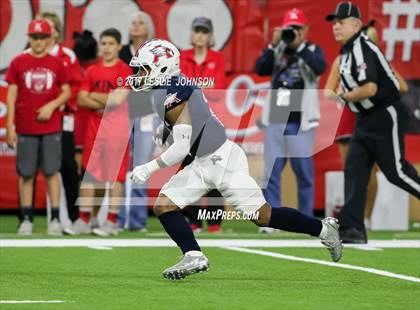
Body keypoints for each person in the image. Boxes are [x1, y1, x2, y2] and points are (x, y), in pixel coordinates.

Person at [128, 39, 342, 280]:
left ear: (163, 67)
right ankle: (193, 255)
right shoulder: (165, 90)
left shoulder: (176, 91)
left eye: (143, 69)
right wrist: (165, 129)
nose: (138, 75)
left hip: (223, 159)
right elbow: (189, 126)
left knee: (263, 216)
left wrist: (149, 167)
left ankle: (324, 229)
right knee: (164, 206)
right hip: (201, 160)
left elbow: (180, 147)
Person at [325, 2, 420, 243]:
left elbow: (370, 88)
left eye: (341, 22)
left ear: (356, 25)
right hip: (364, 118)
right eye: (334, 22)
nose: (335, 26)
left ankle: (353, 227)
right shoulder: (346, 52)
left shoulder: (362, 48)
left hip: (384, 113)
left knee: (396, 171)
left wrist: (343, 96)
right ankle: (352, 229)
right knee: (354, 170)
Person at [255, 8, 327, 221]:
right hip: (276, 119)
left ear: (305, 29)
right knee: (271, 173)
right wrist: (273, 44)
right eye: (289, 28)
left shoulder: (312, 49)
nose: (293, 33)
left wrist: (300, 46)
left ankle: (305, 221)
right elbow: (260, 68)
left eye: (297, 28)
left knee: (303, 172)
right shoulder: (278, 49)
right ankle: (272, 220)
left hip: (300, 121)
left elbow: (320, 67)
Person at [5, 19, 71, 235]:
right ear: (29, 37)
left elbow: (66, 91)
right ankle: (26, 218)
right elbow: (12, 96)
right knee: (26, 174)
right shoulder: (18, 62)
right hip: (25, 126)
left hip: (51, 126)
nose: (39, 41)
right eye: (35, 37)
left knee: (52, 172)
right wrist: (10, 126)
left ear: (51, 38)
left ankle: (54, 219)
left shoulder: (57, 63)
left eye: (43, 37)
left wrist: (51, 106)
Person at [64, 28, 131, 236]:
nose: (107, 47)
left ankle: (111, 222)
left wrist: (94, 96)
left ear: (119, 46)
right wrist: (105, 98)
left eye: (111, 43)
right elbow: (82, 99)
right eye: (104, 43)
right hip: (95, 129)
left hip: (118, 130)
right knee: (89, 175)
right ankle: (84, 220)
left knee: (116, 177)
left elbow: (117, 100)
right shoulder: (92, 71)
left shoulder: (125, 70)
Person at [180, 16, 227, 233]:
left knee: (214, 172)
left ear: (210, 36)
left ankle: (215, 223)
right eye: (197, 30)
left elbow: (217, 90)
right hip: (188, 123)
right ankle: (194, 220)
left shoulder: (218, 58)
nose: (199, 35)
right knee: (190, 172)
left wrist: (194, 90)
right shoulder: (183, 57)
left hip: (210, 123)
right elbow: (181, 89)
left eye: (204, 31)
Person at [37, 11, 82, 223]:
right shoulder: (29, 54)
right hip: (38, 119)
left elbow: (75, 86)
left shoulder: (67, 56)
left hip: (63, 117)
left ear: (55, 32)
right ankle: (31, 216)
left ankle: (74, 217)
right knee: (31, 166)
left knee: (67, 165)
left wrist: (59, 103)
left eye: (46, 26)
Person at [118, 12, 157, 232]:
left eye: (141, 22)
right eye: (133, 22)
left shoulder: (154, 52)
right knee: (122, 167)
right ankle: (118, 216)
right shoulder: (122, 52)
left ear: (148, 28)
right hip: (122, 116)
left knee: (141, 168)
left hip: (145, 115)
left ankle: (137, 219)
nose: (136, 26)